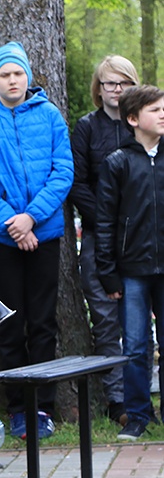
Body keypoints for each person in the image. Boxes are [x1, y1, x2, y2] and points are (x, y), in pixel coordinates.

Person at [0, 41, 74, 439]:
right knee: (10, 324)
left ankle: (43, 407)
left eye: (18, 73)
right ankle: (17, 408)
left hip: (44, 234)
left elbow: (63, 171)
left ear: (28, 76)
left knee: (43, 322)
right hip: (2, 239)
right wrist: (12, 223)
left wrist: (31, 218)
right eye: (5, 74)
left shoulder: (49, 116)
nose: (12, 80)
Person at [70, 56, 140, 426]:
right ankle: (117, 401)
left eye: (123, 83)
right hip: (99, 237)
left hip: (140, 238)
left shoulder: (142, 128)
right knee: (106, 320)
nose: (116, 90)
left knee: (139, 322)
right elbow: (77, 183)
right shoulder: (87, 128)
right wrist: (107, 220)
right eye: (110, 83)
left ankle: (142, 396)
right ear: (99, 88)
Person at [96, 84, 164, 441]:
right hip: (132, 272)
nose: (163, 115)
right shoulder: (117, 163)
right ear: (134, 119)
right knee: (136, 346)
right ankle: (138, 415)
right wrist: (108, 274)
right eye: (155, 110)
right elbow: (104, 222)